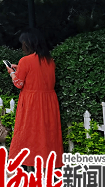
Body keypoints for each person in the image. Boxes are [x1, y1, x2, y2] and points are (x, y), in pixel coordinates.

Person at [5, 28, 63, 168]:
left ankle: (25, 161)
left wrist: (12, 73)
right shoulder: (50, 60)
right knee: (48, 132)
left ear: (28, 44)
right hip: (49, 100)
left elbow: (18, 83)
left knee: (28, 131)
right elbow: (37, 73)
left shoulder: (26, 60)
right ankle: (49, 162)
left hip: (32, 101)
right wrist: (19, 68)